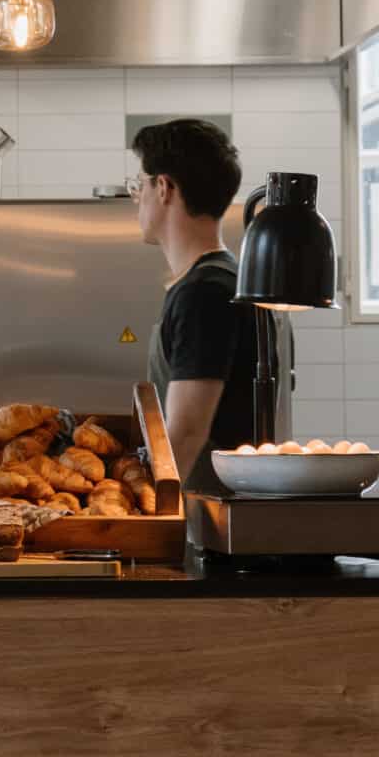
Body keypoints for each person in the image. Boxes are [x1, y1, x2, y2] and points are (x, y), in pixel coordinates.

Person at [131, 119, 257, 494]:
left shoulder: (205, 293)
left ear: (164, 188)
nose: (137, 198)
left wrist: (145, 524)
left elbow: (185, 434)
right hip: (222, 517)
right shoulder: (228, 279)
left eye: (140, 185)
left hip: (208, 524)